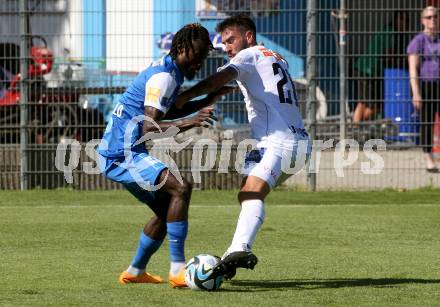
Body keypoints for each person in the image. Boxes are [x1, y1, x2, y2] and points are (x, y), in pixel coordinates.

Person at [96, 23, 231, 287]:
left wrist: (207, 99)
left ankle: (135, 272)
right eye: (198, 55)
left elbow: (163, 113)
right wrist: (190, 122)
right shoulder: (165, 77)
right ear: (182, 47)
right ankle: (178, 271)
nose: (200, 63)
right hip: (121, 153)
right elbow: (150, 126)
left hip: (121, 151)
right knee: (181, 188)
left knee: (167, 209)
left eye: (204, 57)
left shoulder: (170, 71)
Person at [177, 15, 311, 279]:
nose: (227, 47)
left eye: (231, 40)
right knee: (247, 192)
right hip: (296, 142)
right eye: (224, 42)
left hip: (280, 141)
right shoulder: (275, 57)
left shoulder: (248, 54)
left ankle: (239, 248)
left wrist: (185, 96)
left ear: (248, 37)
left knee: (252, 193)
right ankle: (232, 254)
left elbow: (221, 76)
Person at [352, 11, 410, 123]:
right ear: (396, 20)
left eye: (407, 21)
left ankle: (357, 127)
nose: (406, 24)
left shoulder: (393, 33)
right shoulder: (390, 32)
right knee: (368, 104)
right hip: (367, 70)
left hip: (370, 71)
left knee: (369, 103)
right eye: (403, 20)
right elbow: (390, 55)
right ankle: (355, 128)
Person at [407, 6, 440, 172]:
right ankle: (429, 158)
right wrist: (416, 92)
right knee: (427, 122)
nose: (432, 20)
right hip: (427, 85)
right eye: (428, 17)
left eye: (435, 16)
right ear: (422, 20)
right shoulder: (418, 41)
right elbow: (413, 69)